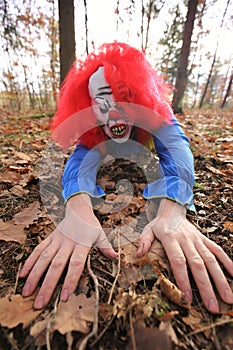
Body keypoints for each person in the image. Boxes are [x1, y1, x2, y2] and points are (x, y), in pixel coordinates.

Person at [19, 42, 233, 313]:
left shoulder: (159, 114)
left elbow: (178, 154)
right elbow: (79, 163)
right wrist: (78, 208)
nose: (110, 111)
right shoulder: (94, 128)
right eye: (100, 103)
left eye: (119, 98)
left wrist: (172, 209)